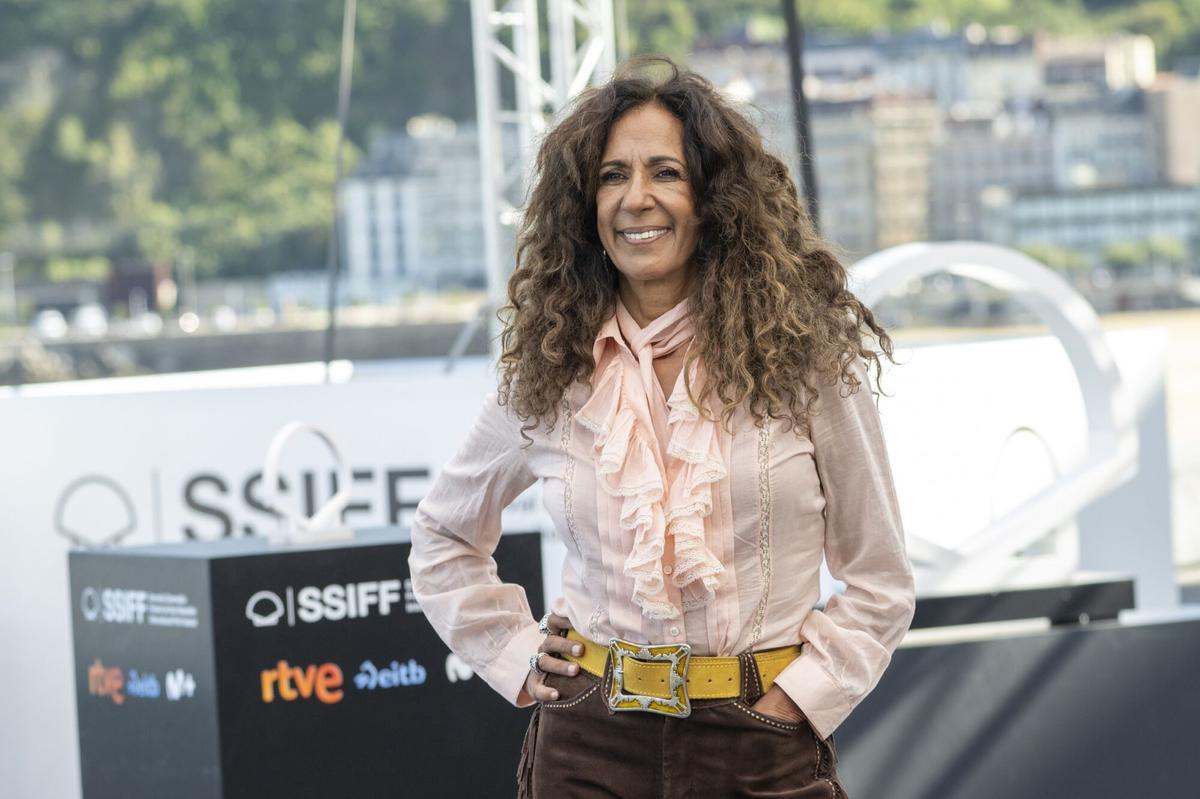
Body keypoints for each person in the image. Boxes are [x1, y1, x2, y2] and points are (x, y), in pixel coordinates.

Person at [408, 57, 916, 798]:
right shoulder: (552, 370)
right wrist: (516, 653)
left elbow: (880, 577)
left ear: (714, 198)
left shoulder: (805, 359)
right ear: (585, 205)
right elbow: (443, 536)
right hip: (587, 738)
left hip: (761, 738)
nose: (635, 198)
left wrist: (799, 699)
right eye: (612, 176)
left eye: (665, 172)